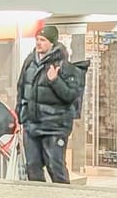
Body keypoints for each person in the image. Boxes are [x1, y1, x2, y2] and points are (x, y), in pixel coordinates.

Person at [16, 23, 86, 184]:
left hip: (55, 126)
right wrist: (19, 116)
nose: (38, 43)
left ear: (52, 43)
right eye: (37, 39)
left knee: (55, 166)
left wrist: (55, 81)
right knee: (32, 166)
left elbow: (71, 95)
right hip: (31, 124)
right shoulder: (30, 62)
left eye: (43, 40)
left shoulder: (65, 66)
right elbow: (21, 88)